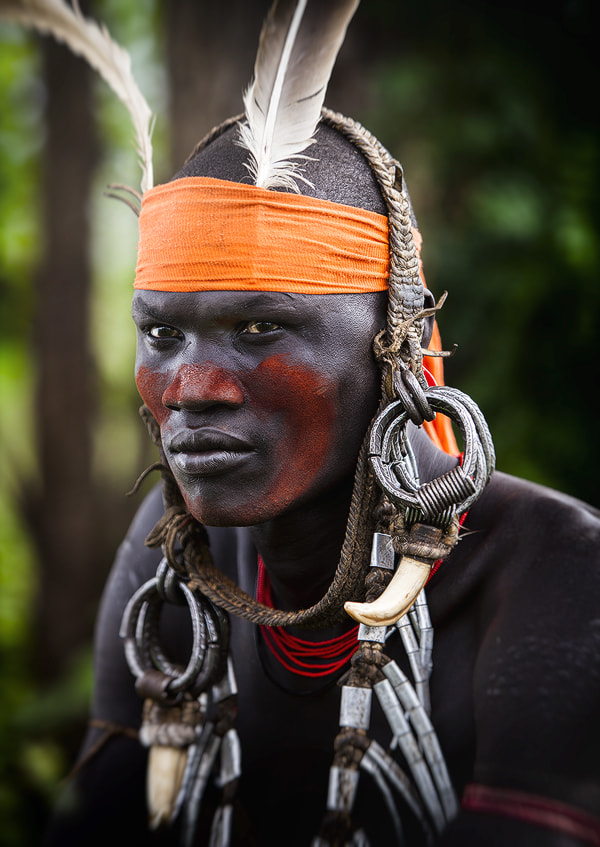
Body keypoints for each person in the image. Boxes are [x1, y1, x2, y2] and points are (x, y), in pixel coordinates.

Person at [26, 2, 599, 846]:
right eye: (162, 333)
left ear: (395, 349)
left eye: (260, 328)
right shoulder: (174, 558)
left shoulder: (556, 576)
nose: (193, 386)